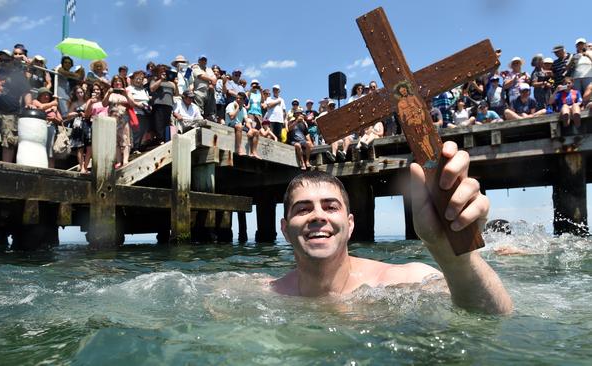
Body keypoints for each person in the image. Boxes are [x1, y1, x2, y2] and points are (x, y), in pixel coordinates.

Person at [271, 148, 514, 315]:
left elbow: (491, 317)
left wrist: (456, 260)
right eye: (303, 209)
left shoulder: (402, 282)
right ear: (285, 229)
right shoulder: (267, 291)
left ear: (351, 224)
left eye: (330, 207)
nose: (318, 216)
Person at [0, 49, 31, 163]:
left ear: (11, 61)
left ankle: (6, 167)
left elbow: (27, 91)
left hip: (10, 113)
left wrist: (28, 103)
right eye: (1, 60)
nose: (3, 62)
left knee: (9, 142)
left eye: (6, 60)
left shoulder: (19, 76)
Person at [31, 87, 63, 168]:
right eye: (44, 95)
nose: (46, 97)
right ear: (39, 96)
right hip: (39, 127)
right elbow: (41, 107)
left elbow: (60, 120)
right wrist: (53, 103)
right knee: (39, 150)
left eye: (48, 95)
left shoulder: (53, 107)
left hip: (51, 128)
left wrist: (54, 118)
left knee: (50, 153)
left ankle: (50, 170)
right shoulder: (35, 101)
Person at [149, 64, 178, 145]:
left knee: (166, 122)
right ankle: (160, 139)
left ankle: (165, 139)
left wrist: (176, 84)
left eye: (165, 72)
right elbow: (152, 88)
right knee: (159, 123)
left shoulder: (171, 83)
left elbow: (176, 94)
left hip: (169, 105)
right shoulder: (154, 80)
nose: (164, 73)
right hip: (159, 104)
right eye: (161, 72)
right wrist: (161, 80)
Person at [225, 92, 260, 158]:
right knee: (239, 125)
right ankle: (239, 149)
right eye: (237, 98)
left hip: (238, 125)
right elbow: (231, 117)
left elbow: (246, 120)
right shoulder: (231, 105)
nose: (238, 100)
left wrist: (250, 129)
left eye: (240, 99)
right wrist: (237, 108)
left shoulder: (244, 109)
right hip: (230, 124)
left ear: (243, 101)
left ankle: (253, 152)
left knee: (256, 132)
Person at [126, 70, 151, 153]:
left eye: (141, 79)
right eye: (137, 78)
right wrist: (138, 104)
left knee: (143, 130)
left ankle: (139, 146)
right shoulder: (129, 88)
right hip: (134, 112)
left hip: (144, 112)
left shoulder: (143, 89)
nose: (139, 80)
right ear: (132, 79)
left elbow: (147, 100)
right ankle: (134, 148)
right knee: (136, 130)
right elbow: (130, 100)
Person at [192, 56, 217, 121]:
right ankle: (199, 122)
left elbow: (214, 78)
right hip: (199, 91)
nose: (203, 61)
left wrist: (212, 83)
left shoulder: (209, 69)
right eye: (202, 60)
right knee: (199, 109)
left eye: (205, 60)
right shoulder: (195, 67)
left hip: (209, 92)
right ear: (199, 61)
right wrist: (211, 79)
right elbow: (201, 76)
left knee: (209, 110)